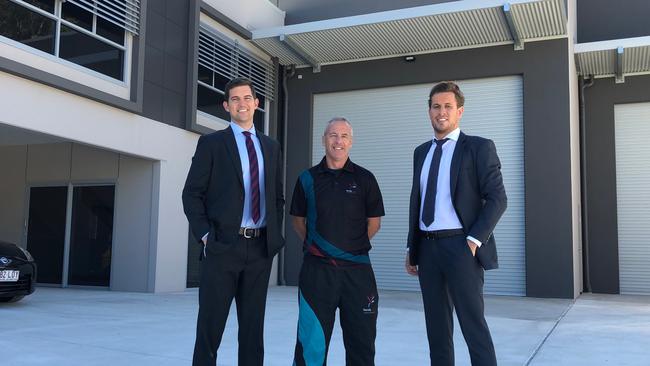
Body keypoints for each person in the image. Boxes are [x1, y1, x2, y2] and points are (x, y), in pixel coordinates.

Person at [182, 77, 285, 366]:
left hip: (260, 249)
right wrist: (205, 236)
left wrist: (274, 239)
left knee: (253, 331)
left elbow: (277, 196)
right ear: (227, 106)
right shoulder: (212, 143)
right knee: (210, 328)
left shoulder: (271, 146)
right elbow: (192, 194)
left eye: (247, 98)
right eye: (235, 99)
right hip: (222, 248)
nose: (242, 103)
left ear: (257, 103)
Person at [405, 81, 507, 366]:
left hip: (462, 247)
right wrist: (412, 247)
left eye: (448, 106)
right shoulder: (421, 152)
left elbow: (498, 198)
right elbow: (419, 201)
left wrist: (474, 241)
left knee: (473, 327)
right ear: (429, 111)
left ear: (460, 111)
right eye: (436, 106)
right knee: (436, 330)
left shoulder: (478, 148)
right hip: (427, 249)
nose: (441, 112)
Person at [290, 117, 385, 366]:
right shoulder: (306, 179)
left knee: (362, 346)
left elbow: (373, 224)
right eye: (333, 135)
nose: (338, 141)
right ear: (324, 140)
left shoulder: (366, 179)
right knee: (311, 346)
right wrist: (321, 248)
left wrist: (348, 247)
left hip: (358, 274)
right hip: (317, 273)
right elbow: (298, 222)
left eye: (343, 136)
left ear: (351, 142)